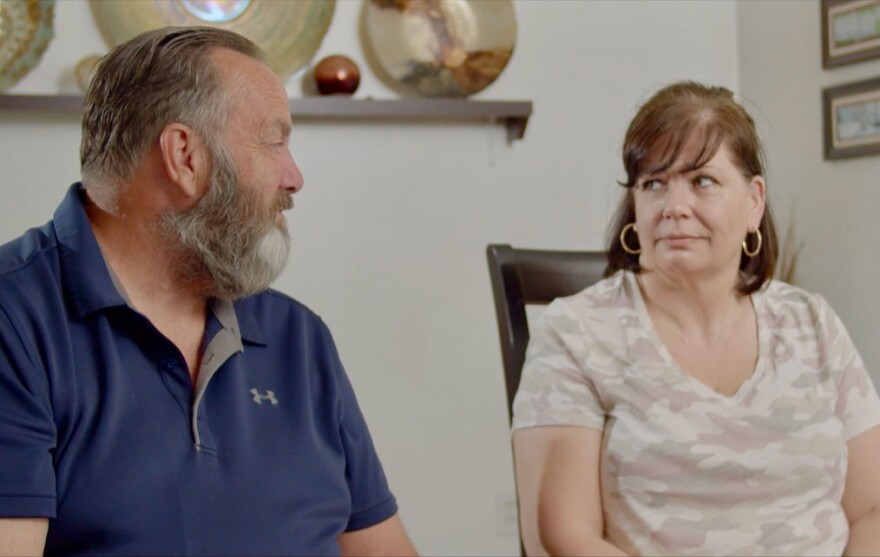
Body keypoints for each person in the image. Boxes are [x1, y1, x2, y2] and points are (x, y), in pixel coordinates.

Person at [0, 27, 417, 557]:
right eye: (274, 142)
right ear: (184, 156)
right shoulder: (15, 322)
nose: (294, 178)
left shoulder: (299, 337)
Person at [511, 81, 880, 556]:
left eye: (702, 181)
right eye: (654, 184)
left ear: (754, 202)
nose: (674, 207)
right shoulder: (575, 334)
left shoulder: (812, 323)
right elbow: (562, 536)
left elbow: (871, 508)